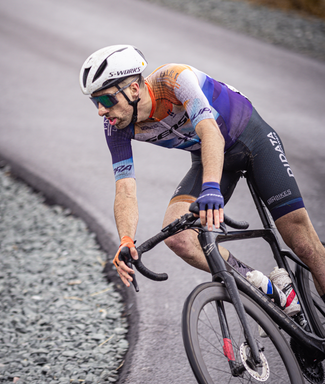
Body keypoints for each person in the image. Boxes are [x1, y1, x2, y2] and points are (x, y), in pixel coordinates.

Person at [79, 44, 325, 314]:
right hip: (209, 158)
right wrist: (126, 239)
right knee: (179, 237)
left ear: (134, 90)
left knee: (302, 241)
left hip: (252, 140)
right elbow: (125, 189)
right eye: (95, 102)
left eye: (105, 101)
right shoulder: (116, 127)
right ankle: (271, 290)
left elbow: (210, 133)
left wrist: (211, 188)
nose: (101, 111)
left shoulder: (173, 80)